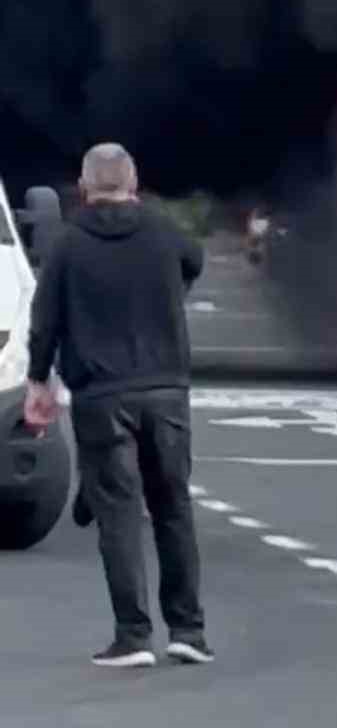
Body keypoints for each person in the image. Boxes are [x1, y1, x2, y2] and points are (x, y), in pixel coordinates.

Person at [24, 144, 212, 670]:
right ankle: (189, 631)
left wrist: (39, 380)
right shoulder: (163, 232)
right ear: (135, 182)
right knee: (173, 509)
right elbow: (193, 262)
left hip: (102, 396)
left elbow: (46, 319)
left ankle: (133, 636)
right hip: (167, 391)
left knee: (119, 515)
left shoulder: (67, 243)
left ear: (84, 188)